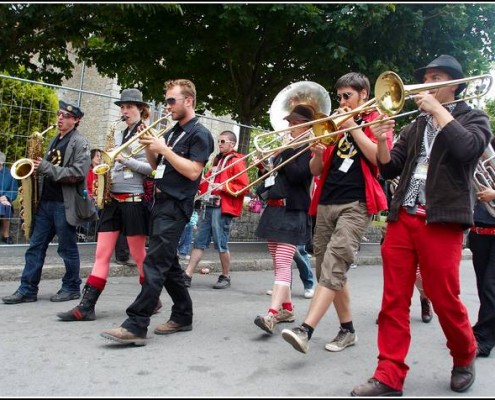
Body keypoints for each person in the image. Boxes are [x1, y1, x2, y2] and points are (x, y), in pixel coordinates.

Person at [351, 55, 491, 396]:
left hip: (442, 220)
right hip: (404, 218)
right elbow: (389, 168)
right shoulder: (415, 125)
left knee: (444, 298)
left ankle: (464, 354)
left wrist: (438, 112)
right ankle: (388, 373)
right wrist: (382, 139)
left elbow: (467, 148)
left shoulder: (474, 118)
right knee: (394, 300)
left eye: (436, 77)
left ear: (456, 84)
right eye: (425, 77)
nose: (426, 83)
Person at [281, 72, 393, 353]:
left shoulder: (376, 120)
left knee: (334, 264)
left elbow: (379, 160)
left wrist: (352, 124)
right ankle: (348, 330)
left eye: (347, 96)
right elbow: (316, 170)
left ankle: (305, 329)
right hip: (325, 201)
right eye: (339, 96)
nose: (341, 101)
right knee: (326, 270)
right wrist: (317, 152)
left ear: (364, 95)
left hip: (356, 203)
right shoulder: (332, 125)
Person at [100, 78, 214, 345]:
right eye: (166, 101)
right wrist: (153, 148)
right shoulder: (173, 131)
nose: (167, 106)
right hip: (159, 202)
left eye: (172, 101)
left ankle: (136, 323)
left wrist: (164, 149)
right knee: (170, 265)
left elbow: (194, 171)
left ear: (189, 101)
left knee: (154, 263)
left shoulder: (200, 133)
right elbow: (156, 166)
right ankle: (183, 315)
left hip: (176, 205)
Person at [57, 88, 155, 321]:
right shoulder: (119, 134)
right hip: (113, 199)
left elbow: (152, 170)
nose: (124, 111)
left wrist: (125, 160)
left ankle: (152, 298)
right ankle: (86, 307)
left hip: (134, 200)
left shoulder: (149, 133)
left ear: (141, 109)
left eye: (129, 107)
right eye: (122, 107)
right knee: (101, 254)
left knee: (139, 255)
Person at [2, 100, 97, 304]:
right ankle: (27, 289)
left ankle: (71, 287)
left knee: (67, 248)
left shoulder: (80, 143)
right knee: (35, 247)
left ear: (76, 120)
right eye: (59, 114)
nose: (60, 118)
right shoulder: (54, 139)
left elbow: (78, 173)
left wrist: (45, 167)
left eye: (66, 115)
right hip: (46, 203)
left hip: (65, 204)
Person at [253, 103, 314, 334]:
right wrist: (263, 167)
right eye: (290, 123)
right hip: (274, 209)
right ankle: (287, 309)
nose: (291, 127)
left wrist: (286, 151)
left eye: (297, 124)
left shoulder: (309, 149)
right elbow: (274, 179)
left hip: (293, 211)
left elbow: (298, 175)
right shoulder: (284, 150)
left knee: (283, 263)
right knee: (279, 263)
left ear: (308, 126)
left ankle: (271, 314)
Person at [183, 130, 249, 289]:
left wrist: (224, 187)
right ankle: (187, 274)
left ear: (232, 144)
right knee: (199, 241)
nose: (219, 144)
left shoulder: (237, 161)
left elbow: (244, 187)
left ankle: (226, 276)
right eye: (219, 141)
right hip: (209, 205)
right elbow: (209, 181)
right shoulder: (217, 160)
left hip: (222, 207)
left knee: (221, 243)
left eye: (223, 141)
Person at [468, 139, 495, 358]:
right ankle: (485, 327)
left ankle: (484, 338)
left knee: (490, 286)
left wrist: (494, 195)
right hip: (480, 229)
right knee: (482, 285)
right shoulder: (487, 147)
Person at [0, 151, 18, 244]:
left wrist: (6, 197)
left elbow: (14, 191)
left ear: (1, 162)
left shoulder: (10, 174)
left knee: (6, 206)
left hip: (4, 200)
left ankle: (6, 235)